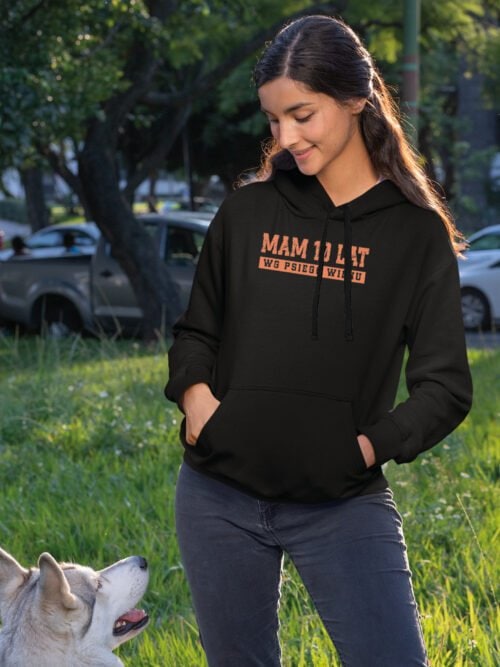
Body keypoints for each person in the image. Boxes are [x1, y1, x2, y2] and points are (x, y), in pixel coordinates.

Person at [165, 15, 473, 667]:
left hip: (340, 501)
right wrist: (198, 403)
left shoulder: (414, 235)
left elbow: (445, 387)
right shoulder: (247, 211)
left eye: (302, 115)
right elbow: (196, 332)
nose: (285, 136)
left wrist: (364, 447)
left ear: (357, 100)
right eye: (274, 119)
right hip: (218, 496)